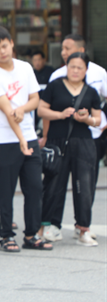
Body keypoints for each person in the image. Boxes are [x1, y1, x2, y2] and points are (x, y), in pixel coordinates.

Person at [0, 26, 50, 253]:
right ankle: (6, 237)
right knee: (5, 190)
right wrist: (20, 136)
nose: (2, 51)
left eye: (4, 46)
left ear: (11, 43)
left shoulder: (24, 67)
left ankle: (31, 234)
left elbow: (35, 99)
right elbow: (7, 111)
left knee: (34, 187)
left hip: (28, 136)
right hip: (4, 139)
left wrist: (22, 111)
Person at [38, 52, 102, 246]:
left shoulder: (91, 92)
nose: (75, 70)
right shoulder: (55, 86)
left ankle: (83, 228)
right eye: (72, 66)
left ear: (86, 70)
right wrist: (60, 114)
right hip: (58, 141)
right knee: (54, 184)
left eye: (80, 67)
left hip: (83, 142)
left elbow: (98, 120)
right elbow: (41, 110)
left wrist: (87, 119)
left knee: (84, 186)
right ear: (66, 66)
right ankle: (50, 225)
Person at [45, 34, 107, 192]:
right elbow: (45, 108)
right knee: (57, 182)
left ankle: (84, 216)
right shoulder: (57, 75)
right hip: (62, 136)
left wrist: (103, 123)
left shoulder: (99, 72)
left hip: (94, 135)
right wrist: (46, 136)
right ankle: (53, 217)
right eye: (62, 49)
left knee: (87, 184)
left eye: (67, 48)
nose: (63, 52)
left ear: (81, 50)